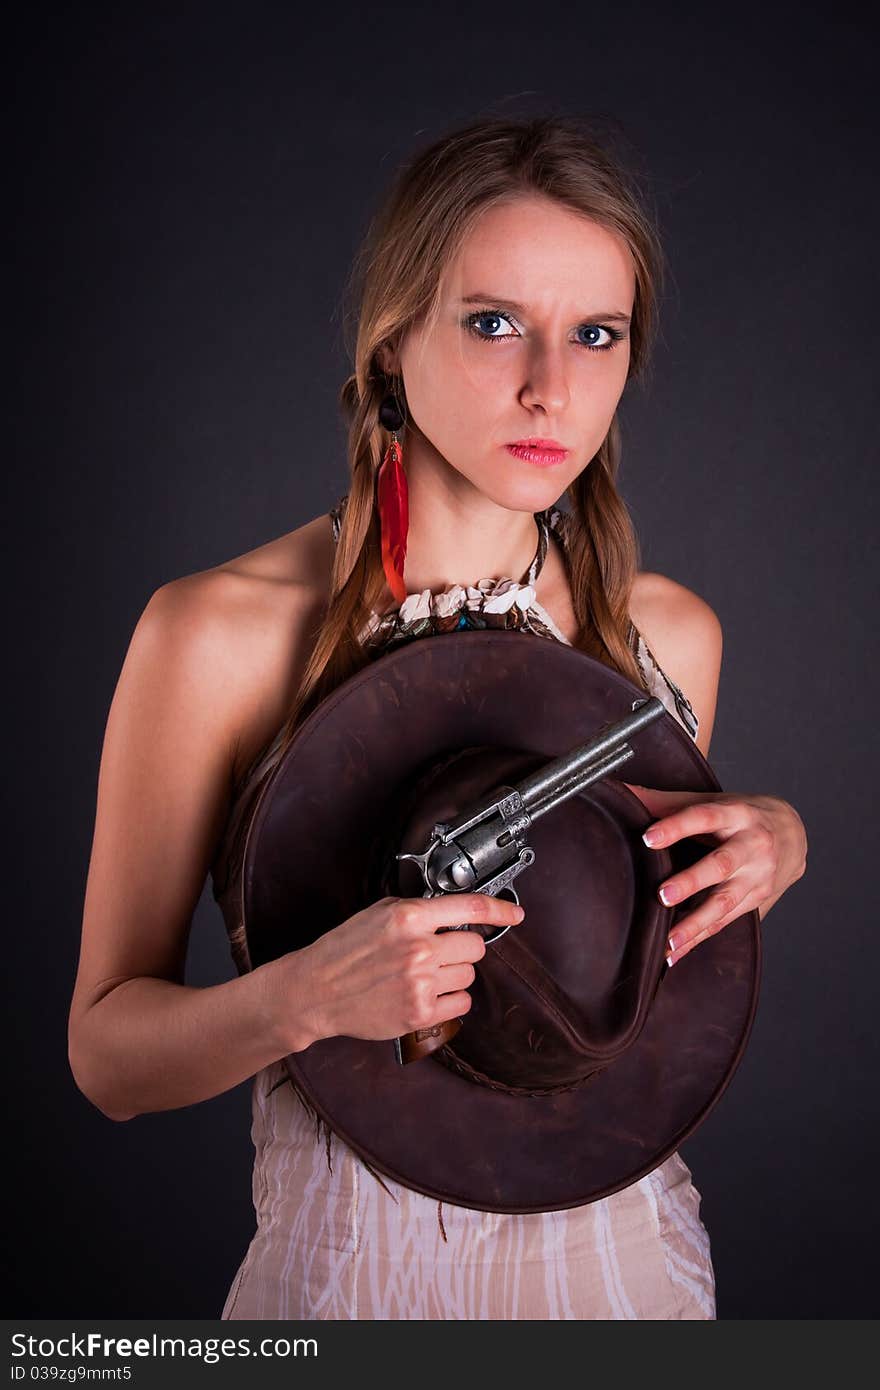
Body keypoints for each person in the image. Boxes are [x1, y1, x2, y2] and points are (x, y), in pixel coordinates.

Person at [68, 113, 807, 1320]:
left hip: (623, 1283)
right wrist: (305, 996)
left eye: (596, 335)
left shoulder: (669, 637)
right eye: (492, 322)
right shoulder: (216, 635)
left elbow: (631, 987)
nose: (548, 387)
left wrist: (774, 842)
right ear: (392, 334)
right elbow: (107, 1060)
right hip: (345, 1293)